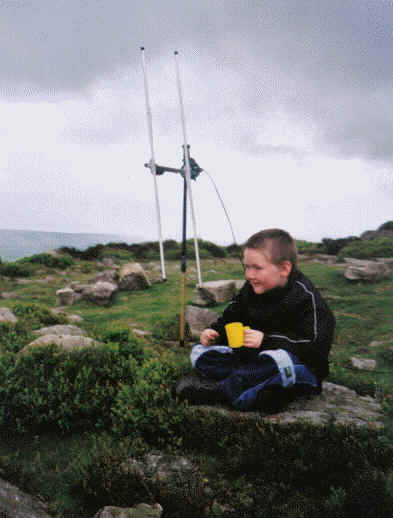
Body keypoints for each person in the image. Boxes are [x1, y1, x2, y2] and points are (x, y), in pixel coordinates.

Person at [176, 228, 336, 413]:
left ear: (284, 268)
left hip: (300, 367)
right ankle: (258, 387)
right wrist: (215, 331)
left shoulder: (307, 299)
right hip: (255, 357)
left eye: (257, 268)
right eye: (247, 267)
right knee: (199, 352)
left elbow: (314, 346)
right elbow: (232, 314)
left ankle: (224, 391)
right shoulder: (252, 288)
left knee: (278, 361)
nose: (249, 275)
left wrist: (266, 340)